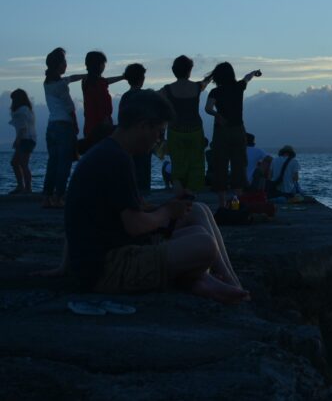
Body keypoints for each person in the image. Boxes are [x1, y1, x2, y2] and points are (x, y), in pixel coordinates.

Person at [62, 89, 248, 304]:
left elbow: (80, 217)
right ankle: (201, 280)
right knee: (203, 245)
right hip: (108, 269)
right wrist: (167, 212)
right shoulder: (116, 159)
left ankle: (219, 280)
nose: (159, 140)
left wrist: (165, 210)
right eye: (159, 132)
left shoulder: (108, 152)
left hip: (112, 252)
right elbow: (135, 225)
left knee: (197, 216)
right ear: (143, 126)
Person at [204, 63, 261, 209]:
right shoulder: (239, 86)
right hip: (238, 130)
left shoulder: (215, 92)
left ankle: (222, 204)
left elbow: (208, 108)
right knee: (239, 165)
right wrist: (254, 72)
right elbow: (247, 78)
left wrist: (218, 115)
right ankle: (237, 202)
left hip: (221, 131)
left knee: (220, 165)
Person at [160, 56, 212, 196]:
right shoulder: (196, 87)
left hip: (175, 131)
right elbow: (205, 82)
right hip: (195, 130)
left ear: (173, 71)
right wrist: (211, 76)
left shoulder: (167, 90)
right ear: (189, 71)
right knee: (196, 165)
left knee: (177, 166)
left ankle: (179, 196)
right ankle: (190, 194)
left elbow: (154, 100)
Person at [42, 47, 85, 208]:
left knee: (52, 163)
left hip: (51, 126)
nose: (66, 64)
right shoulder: (61, 86)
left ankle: (46, 197)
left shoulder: (48, 83)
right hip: (64, 126)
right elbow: (70, 107)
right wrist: (75, 125)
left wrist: (84, 76)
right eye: (65, 62)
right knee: (64, 164)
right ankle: (59, 197)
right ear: (59, 64)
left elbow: (71, 78)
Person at [80, 50, 125, 151]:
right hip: (101, 128)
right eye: (103, 64)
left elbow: (106, 81)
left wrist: (122, 77)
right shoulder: (99, 84)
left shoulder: (86, 82)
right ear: (99, 65)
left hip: (89, 127)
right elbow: (102, 107)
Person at [119, 63, 153, 193]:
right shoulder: (147, 96)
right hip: (144, 137)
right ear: (141, 78)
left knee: (130, 170)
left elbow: (122, 119)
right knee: (143, 170)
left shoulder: (125, 97)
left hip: (128, 139)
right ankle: (143, 197)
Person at [9, 89, 36, 194]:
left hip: (25, 139)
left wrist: (17, 140)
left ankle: (26, 188)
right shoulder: (27, 109)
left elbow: (23, 128)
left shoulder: (21, 111)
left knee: (22, 164)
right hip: (29, 139)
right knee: (16, 162)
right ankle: (22, 186)